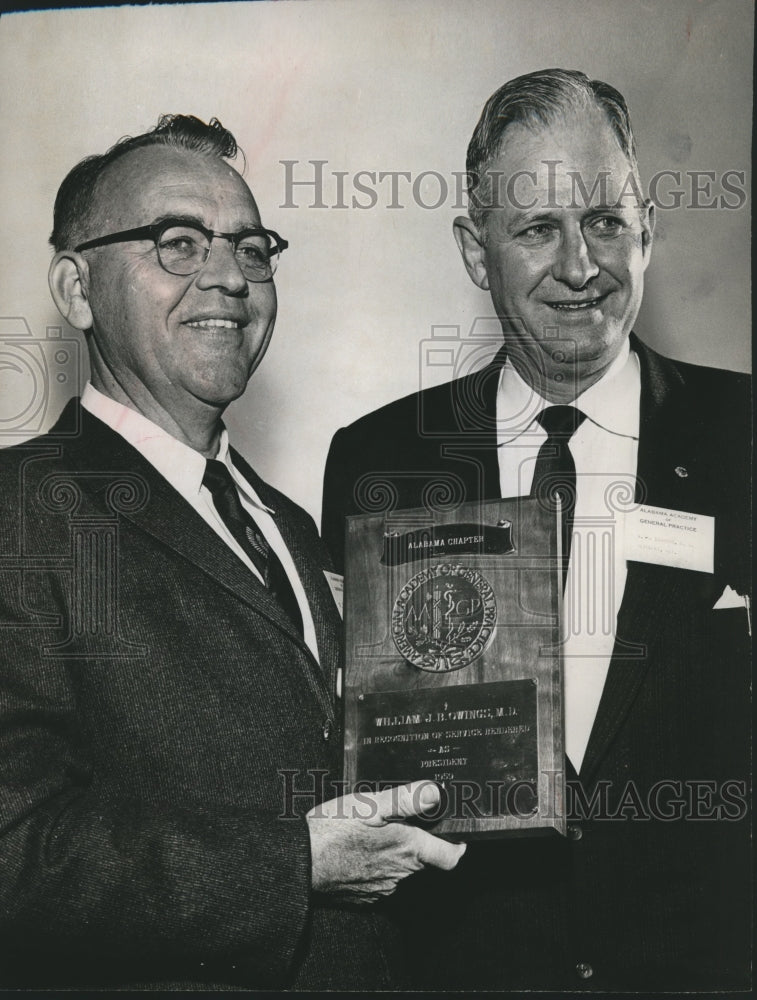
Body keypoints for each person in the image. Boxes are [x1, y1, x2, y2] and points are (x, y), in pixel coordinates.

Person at [0, 114, 465, 991]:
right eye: (177, 243)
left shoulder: (291, 526)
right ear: (75, 288)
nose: (228, 277)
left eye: (253, 250)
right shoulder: (19, 512)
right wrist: (292, 866)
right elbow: (14, 851)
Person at [321, 70, 751, 991]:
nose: (579, 265)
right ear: (475, 253)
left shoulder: (741, 435)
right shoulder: (379, 461)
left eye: (605, 220)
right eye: (534, 227)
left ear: (649, 229)